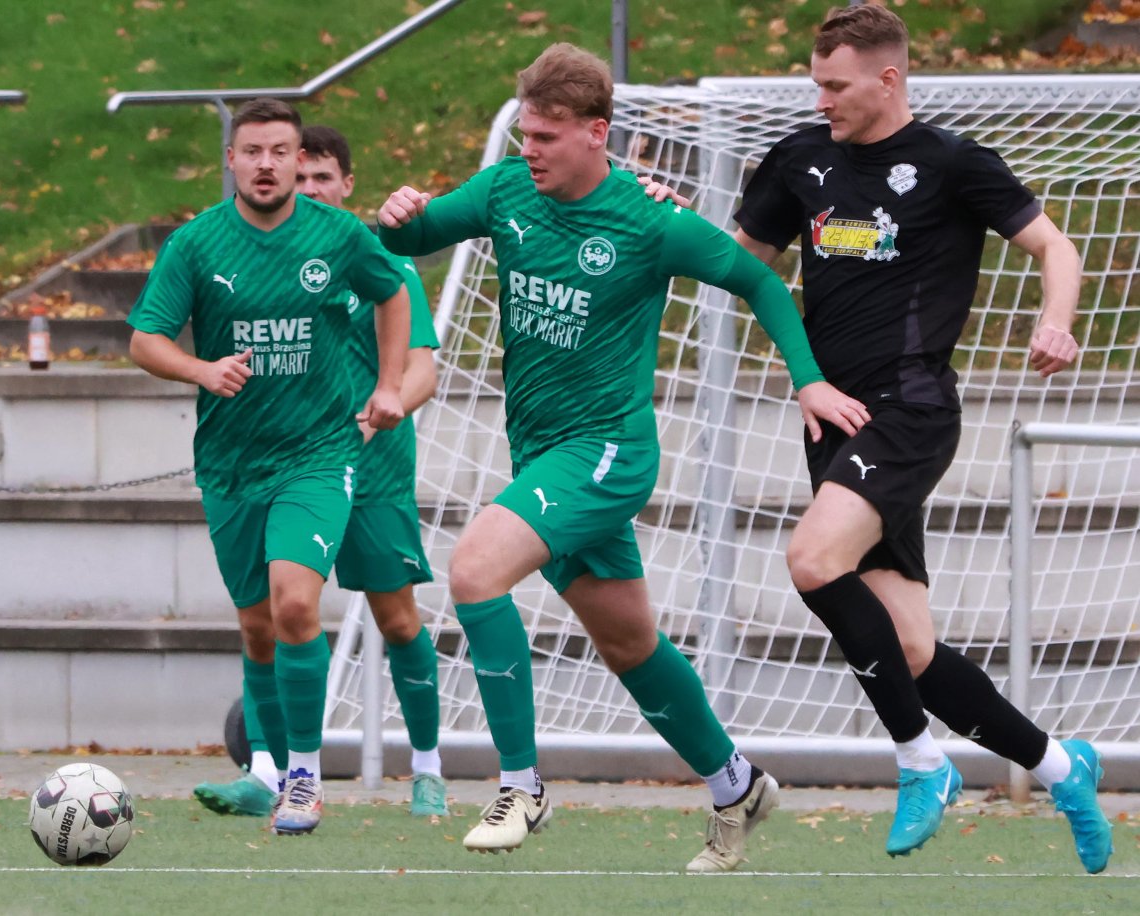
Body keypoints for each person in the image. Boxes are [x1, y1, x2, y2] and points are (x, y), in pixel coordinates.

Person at [377, 42, 869, 873]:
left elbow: (759, 283)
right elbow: (417, 236)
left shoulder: (650, 221)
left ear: (597, 133)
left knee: (472, 572)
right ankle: (736, 784)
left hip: (607, 454)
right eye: (524, 131)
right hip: (540, 451)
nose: (527, 147)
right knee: (631, 643)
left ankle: (522, 786)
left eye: (545, 135)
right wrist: (399, 216)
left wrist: (809, 381)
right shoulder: (505, 192)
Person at [727, 4, 1112, 872]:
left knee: (813, 560)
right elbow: (739, 262)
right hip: (831, 418)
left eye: (835, 85)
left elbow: (1055, 247)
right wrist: (667, 223)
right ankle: (1062, 767)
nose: (820, 99)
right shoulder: (800, 159)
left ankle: (920, 763)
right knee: (907, 647)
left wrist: (1058, 322)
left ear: (887, 78)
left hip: (908, 411)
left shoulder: (949, 163)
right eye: (814, 83)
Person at [128, 98, 412, 836]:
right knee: (257, 624)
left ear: (295, 159)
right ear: (233, 160)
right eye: (252, 151)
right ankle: (268, 765)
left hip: (318, 455)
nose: (265, 164)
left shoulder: (340, 234)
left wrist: (387, 384)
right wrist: (201, 368)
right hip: (230, 463)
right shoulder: (196, 245)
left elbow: (393, 294)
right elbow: (143, 340)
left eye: (279, 152)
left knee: (294, 606)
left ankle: (305, 780)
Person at [191, 125, 447, 820]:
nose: (307, 190)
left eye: (321, 179)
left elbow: (422, 365)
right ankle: (271, 774)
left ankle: (426, 769)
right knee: (270, 616)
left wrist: (382, 407)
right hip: (288, 463)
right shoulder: (268, 251)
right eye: (298, 179)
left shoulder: (371, 256)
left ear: (347, 185)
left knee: (396, 619)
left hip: (374, 464)